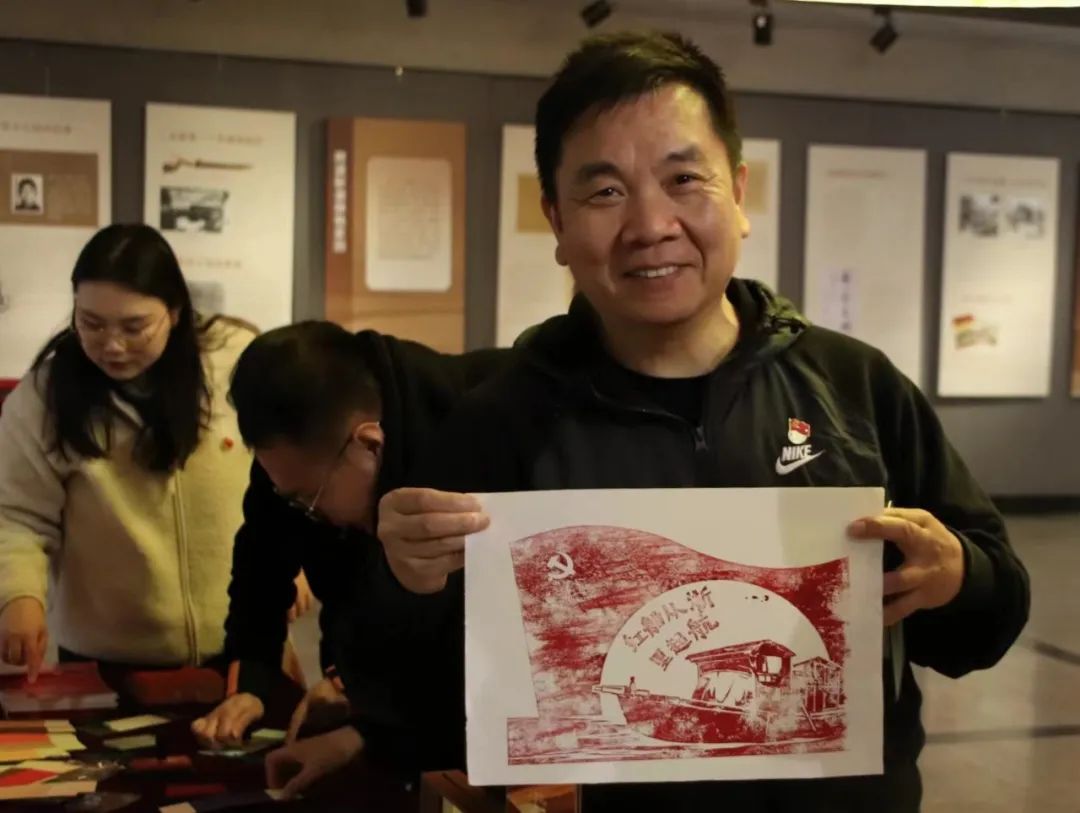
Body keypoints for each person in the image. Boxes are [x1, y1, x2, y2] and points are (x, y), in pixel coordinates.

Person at [366, 31, 1027, 811]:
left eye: (684, 178)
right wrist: (409, 586)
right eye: (604, 192)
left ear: (738, 193)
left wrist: (958, 575)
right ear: (556, 220)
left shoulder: (855, 388)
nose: (651, 224)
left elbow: (989, 621)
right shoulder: (502, 424)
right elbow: (418, 718)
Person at [190, 322, 510, 767]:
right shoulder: (295, 453)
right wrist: (253, 681)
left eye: (308, 499)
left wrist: (361, 699)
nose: (303, 510)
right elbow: (260, 563)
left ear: (369, 444)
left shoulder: (482, 432)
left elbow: (467, 640)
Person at [0, 223, 257, 676]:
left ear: (174, 312)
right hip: (105, 658)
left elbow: (287, 473)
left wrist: (293, 565)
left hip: (241, 644)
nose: (112, 345)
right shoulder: (45, 397)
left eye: (134, 327)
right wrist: (19, 596)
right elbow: (18, 514)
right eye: (91, 323)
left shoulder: (235, 361)